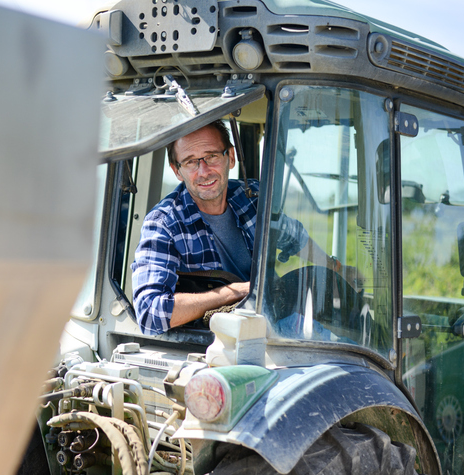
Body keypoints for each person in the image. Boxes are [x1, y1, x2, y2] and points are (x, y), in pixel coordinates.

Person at [131, 120, 342, 335]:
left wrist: (335, 267)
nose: (203, 171)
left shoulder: (251, 198)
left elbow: (295, 237)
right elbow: (150, 314)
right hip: (216, 342)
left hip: (271, 321)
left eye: (211, 156)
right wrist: (236, 291)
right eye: (190, 162)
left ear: (231, 157)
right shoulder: (164, 223)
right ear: (177, 171)